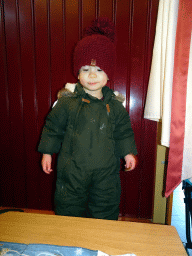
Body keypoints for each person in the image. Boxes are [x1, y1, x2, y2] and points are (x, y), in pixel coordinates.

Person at [38, 17, 137, 220]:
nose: (92, 75)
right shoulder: (67, 102)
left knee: (104, 209)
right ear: (77, 73)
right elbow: (53, 128)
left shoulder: (115, 106)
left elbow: (123, 132)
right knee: (69, 208)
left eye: (99, 70)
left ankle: (98, 243)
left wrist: (128, 152)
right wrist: (47, 152)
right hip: (72, 171)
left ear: (108, 73)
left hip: (105, 175)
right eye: (85, 69)